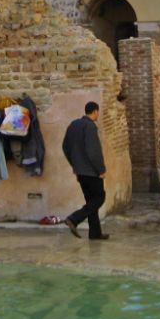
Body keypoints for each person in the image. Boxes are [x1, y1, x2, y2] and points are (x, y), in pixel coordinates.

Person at [62, 101, 109, 241]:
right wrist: (101, 170)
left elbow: (65, 147)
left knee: (91, 201)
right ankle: (74, 219)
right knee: (99, 198)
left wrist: (75, 166)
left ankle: (95, 233)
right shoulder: (90, 126)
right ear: (95, 111)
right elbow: (93, 152)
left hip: (81, 172)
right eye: (98, 112)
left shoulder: (73, 125)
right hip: (92, 172)